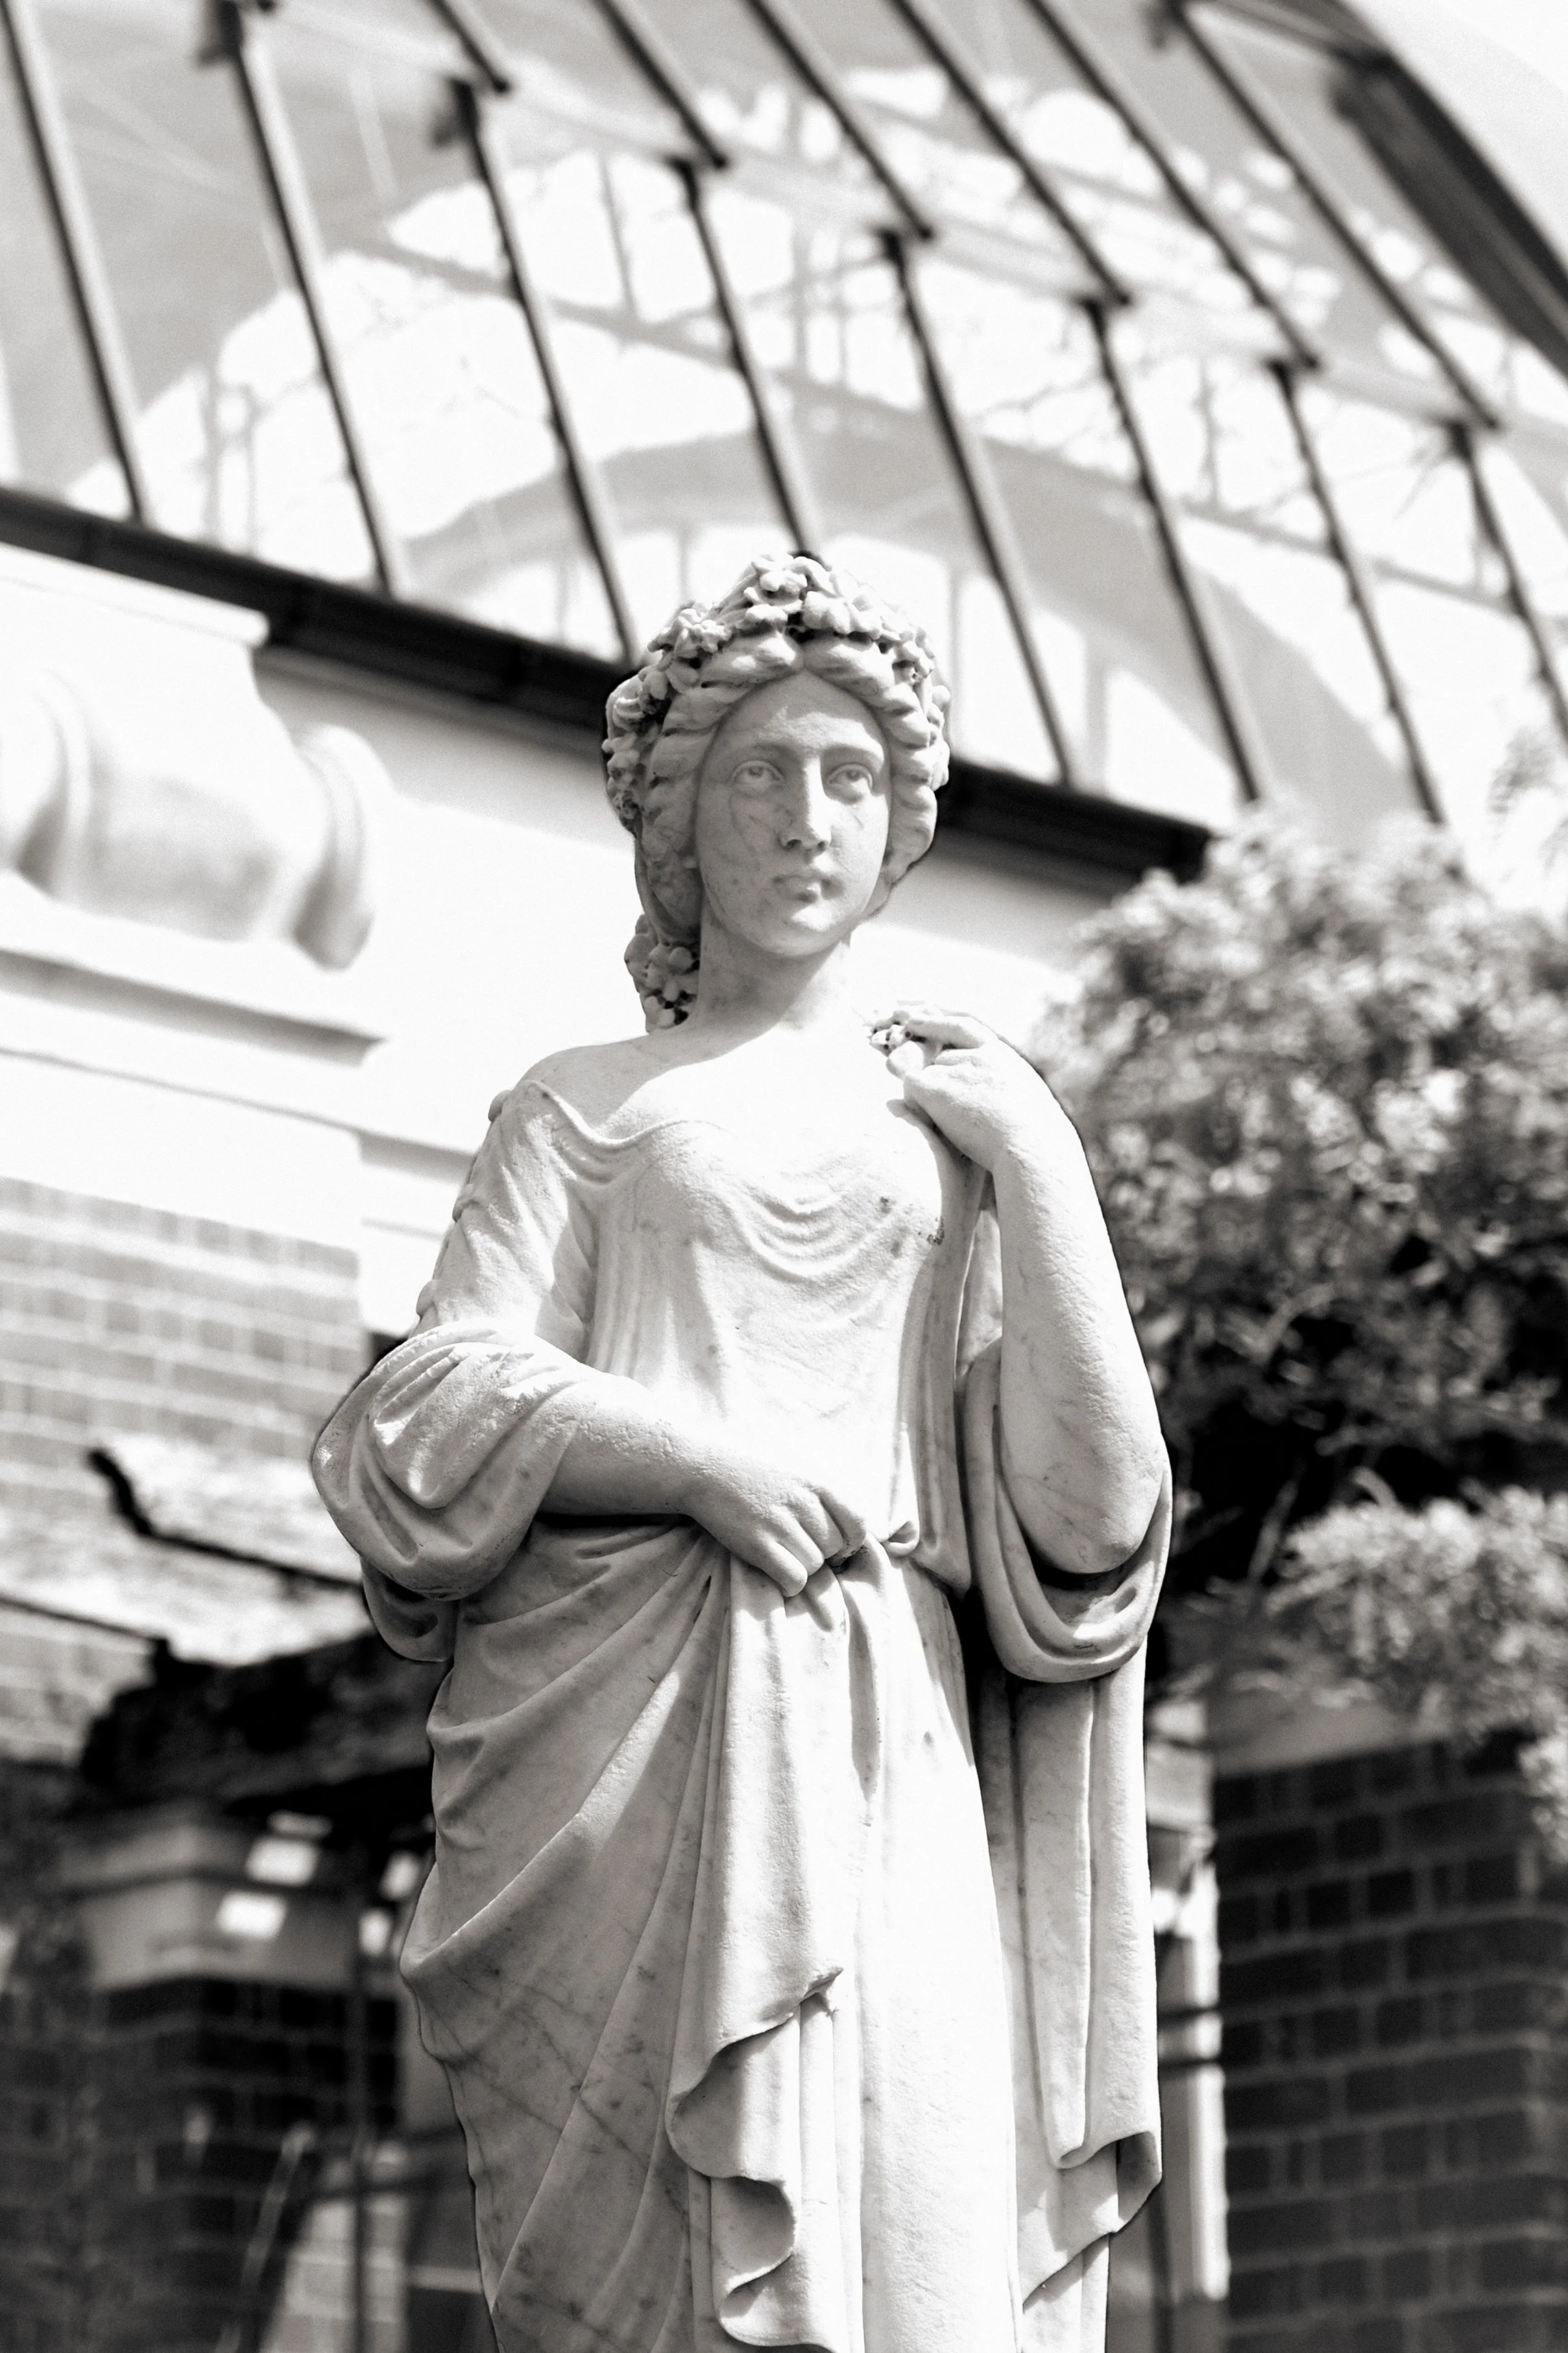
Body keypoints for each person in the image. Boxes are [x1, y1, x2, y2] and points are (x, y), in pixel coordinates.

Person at [313, 555, 1170, 2353]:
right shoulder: (584, 1107)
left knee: (927, 2247)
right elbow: (415, 1418)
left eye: (850, 779)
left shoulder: (958, 1139)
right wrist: (695, 1463)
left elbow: (1089, 1527)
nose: (807, 817)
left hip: (885, 1740)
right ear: (683, 825)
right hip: (627, 1750)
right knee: (645, 2284)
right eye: (761, 773)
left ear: (901, 825)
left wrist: (1047, 1175)